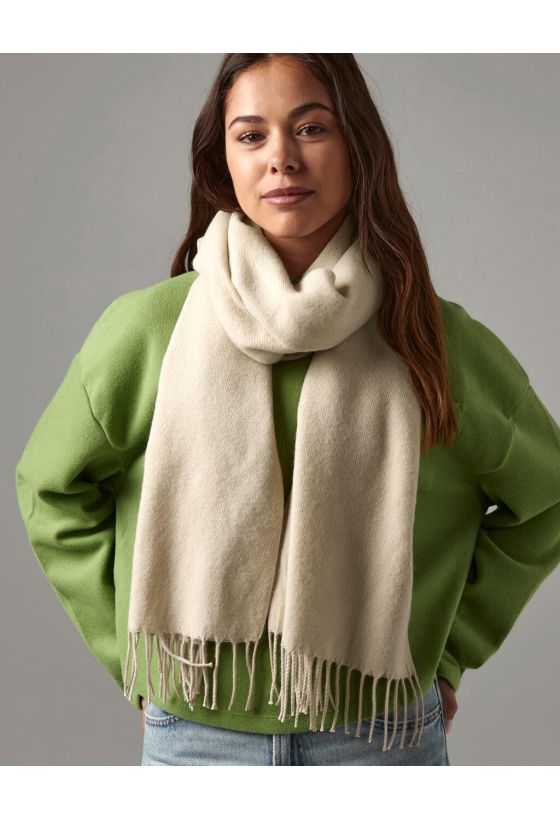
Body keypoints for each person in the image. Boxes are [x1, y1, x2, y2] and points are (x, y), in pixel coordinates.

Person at [14, 54, 560, 767]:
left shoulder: (432, 340)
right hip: (196, 741)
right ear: (224, 161)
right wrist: (130, 651)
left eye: (311, 128)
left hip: (378, 739)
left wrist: (449, 648)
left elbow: (546, 498)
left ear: (358, 144)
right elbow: (49, 488)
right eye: (251, 135)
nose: (281, 158)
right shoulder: (150, 331)